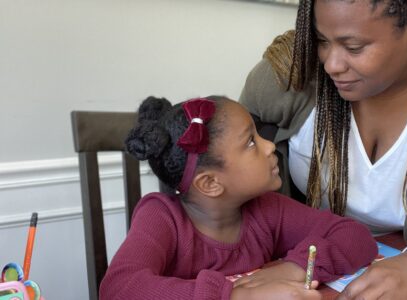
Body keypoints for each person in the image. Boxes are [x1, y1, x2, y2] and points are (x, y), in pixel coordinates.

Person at [239, 0, 407, 299]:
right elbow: (218, 155)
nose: (331, 65)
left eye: (354, 47)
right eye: (322, 41)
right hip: (294, 271)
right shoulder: (292, 71)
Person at [99, 96, 377, 300]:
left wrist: (295, 267)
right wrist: (236, 296)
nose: (270, 146)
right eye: (251, 142)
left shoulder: (267, 208)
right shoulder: (161, 217)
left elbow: (354, 236)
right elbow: (118, 289)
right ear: (210, 183)